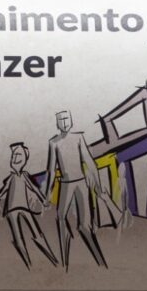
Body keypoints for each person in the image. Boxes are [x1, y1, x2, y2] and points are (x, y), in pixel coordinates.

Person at [45, 109, 108, 268]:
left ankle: (100, 262)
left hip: (81, 183)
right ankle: (64, 259)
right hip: (66, 184)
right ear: (57, 123)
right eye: (61, 119)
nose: (64, 122)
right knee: (60, 217)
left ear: (71, 120)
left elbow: (89, 161)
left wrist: (98, 186)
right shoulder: (54, 142)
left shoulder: (79, 137)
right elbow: (51, 170)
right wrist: (47, 193)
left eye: (66, 118)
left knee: (84, 226)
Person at [0, 142, 58, 270]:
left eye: (18, 155)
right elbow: (3, 190)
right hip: (11, 209)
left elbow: (35, 189)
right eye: (13, 156)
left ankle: (50, 257)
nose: (15, 158)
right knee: (18, 237)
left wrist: (43, 200)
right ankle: (27, 263)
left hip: (25, 207)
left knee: (36, 233)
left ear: (25, 159)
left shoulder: (25, 175)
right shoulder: (11, 177)